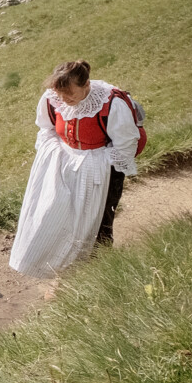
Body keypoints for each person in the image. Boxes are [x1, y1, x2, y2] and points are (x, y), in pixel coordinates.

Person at [9, 61, 140, 279]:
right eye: (60, 95)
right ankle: (61, 273)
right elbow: (46, 127)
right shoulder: (53, 99)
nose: (64, 100)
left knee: (99, 222)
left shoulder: (112, 104)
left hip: (101, 171)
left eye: (70, 95)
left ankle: (102, 274)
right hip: (63, 163)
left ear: (87, 84)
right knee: (56, 214)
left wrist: (95, 162)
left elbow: (126, 144)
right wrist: (54, 153)